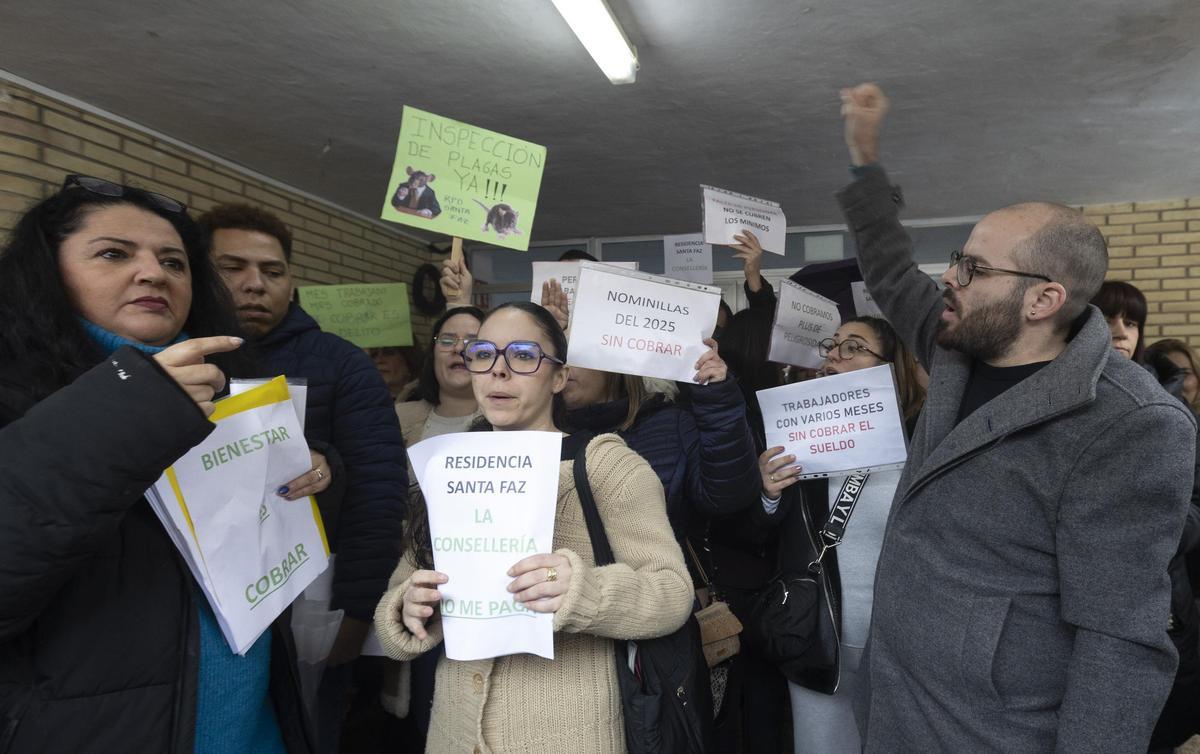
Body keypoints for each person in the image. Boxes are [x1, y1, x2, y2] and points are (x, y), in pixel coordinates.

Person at [838, 83, 1196, 750]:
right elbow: (888, 269)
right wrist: (866, 161)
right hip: (895, 703)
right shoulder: (956, 344)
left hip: (990, 731)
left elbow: (1119, 641)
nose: (949, 279)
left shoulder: (1132, 423)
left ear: (1043, 299)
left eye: (972, 268)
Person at [0, 175, 313, 752]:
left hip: (252, 725)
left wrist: (318, 467)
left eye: (174, 262)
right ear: (46, 271)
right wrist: (137, 404)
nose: (153, 273)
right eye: (114, 254)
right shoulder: (15, 391)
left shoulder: (228, 386)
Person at [374, 302, 693, 753]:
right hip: (454, 731)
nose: (498, 372)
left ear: (559, 377)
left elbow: (672, 592)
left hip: (572, 732)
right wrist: (409, 607)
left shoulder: (605, 465)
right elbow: (398, 601)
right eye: (484, 354)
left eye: (523, 355)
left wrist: (585, 593)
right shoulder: (449, 466)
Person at [200, 203, 408, 752]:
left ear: (292, 283)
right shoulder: (168, 360)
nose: (254, 285)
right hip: (193, 612)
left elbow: (378, 495)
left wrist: (358, 612)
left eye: (272, 272)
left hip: (308, 605)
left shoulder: (342, 366)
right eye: (233, 268)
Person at [755, 316, 925, 754]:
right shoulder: (797, 440)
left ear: (891, 366)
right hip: (818, 642)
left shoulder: (926, 443)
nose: (834, 354)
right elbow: (762, 533)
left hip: (903, 651)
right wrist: (768, 494)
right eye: (832, 346)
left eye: (854, 347)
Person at [1090, 285, 1200, 752]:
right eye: (1109, 319)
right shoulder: (1055, 397)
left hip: (1166, 605)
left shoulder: (1166, 409)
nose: (1120, 333)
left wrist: (1154, 527)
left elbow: (1193, 504)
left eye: (1131, 323)